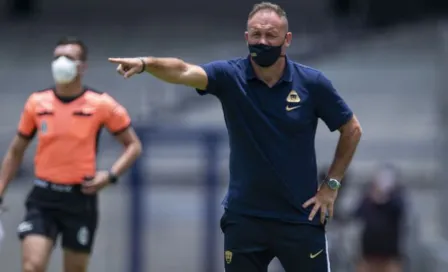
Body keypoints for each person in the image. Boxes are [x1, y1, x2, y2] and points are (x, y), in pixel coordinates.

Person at [109, 2, 362, 271]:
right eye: (256, 34)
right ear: (246, 37)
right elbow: (183, 70)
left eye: (270, 35)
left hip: (300, 217)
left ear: (287, 40)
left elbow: (352, 129)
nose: (262, 41)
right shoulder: (230, 76)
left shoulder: (312, 83)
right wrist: (146, 63)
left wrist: (331, 186)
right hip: (245, 219)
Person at [0, 37, 142, 272]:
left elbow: (133, 146)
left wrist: (110, 176)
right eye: (57, 58)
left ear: (83, 66)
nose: (61, 62)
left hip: (80, 199)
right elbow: (16, 151)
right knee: (32, 266)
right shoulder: (37, 103)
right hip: (43, 197)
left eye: (69, 58)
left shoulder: (101, 104)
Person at [354, 164, 406, 272]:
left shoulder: (397, 198)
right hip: (368, 255)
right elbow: (356, 214)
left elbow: (399, 210)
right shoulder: (367, 199)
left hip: (390, 256)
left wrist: (385, 198)